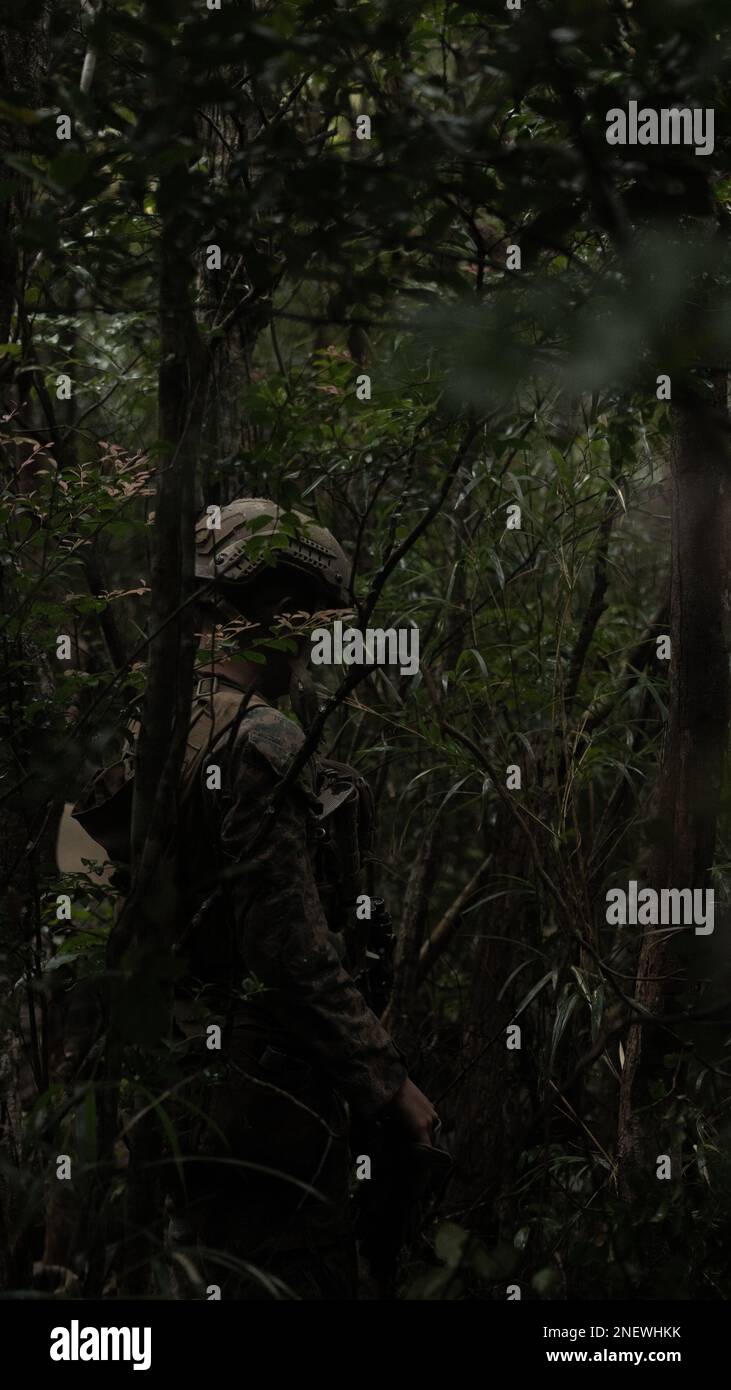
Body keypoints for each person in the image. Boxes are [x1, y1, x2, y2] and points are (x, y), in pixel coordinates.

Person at [158, 497, 437, 1299]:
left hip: (166, 1089)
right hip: (263, 1105)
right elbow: (288, 945)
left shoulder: (159, 729)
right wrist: (385, 1081)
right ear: (279, 613)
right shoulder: (262, 736)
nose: (317, 647)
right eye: (314, 624)